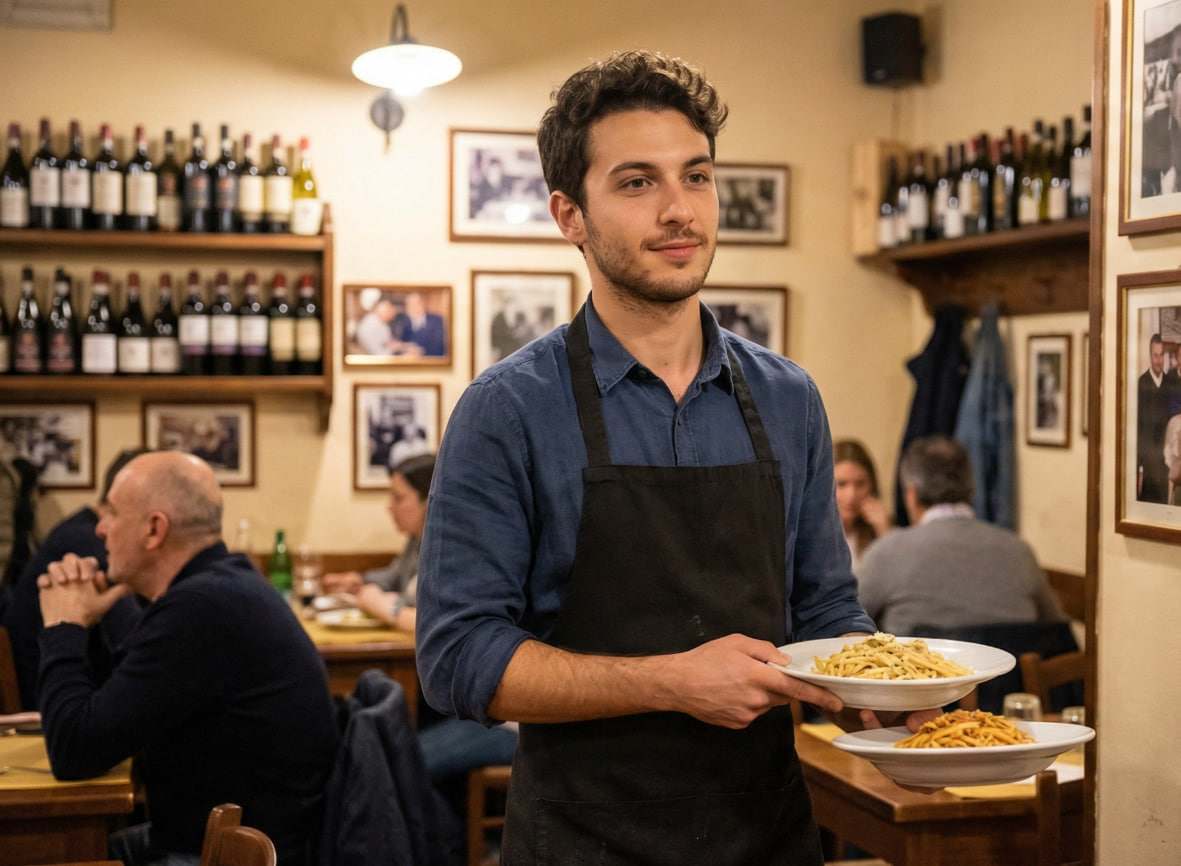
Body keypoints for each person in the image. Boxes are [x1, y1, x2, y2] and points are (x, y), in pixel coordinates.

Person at [415, 49, 934, 865]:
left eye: (695, 176)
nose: (678, 210)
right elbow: (458, 659)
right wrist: (669, 682)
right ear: (569, 215)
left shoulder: (788, 398)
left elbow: (825, 611)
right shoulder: (507, 410)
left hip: (765, 834)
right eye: (636, 183)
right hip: (582, 841)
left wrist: (883, 692)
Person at [36, 451, 340, 866]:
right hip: (222, 836)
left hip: (226, 855)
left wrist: (63, 626)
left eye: (112, 513)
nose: (100, 528)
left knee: (45, 852)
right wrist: (86, 625)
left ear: (154, 529)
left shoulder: (200, 609)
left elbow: (73, 752)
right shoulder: (221, 586)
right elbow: (110, 713)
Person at [856, 435, 1066, 636]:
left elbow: (846, 621)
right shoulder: (1019, 551)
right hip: (1009, 662)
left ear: (912, 495)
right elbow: (1057, 627)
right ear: (971, 489)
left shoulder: (888, 552)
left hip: (922, 662)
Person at [2, 448, 148, 712]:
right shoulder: (86, 542)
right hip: (44, 698)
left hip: (64, 684)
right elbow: (138, 642)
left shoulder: (82, 529)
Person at [321, 453, 435, 631]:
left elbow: (434, 621)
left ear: (428, 501)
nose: (389, 507)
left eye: (398, 498)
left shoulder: (446, 551)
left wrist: (385, 607)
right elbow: (392, 578)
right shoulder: (415, 541)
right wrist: (358, 581)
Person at [833, 439, 891, 569]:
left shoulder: (880, 532)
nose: (852, 495)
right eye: (841, 484)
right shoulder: (805, 534)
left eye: (860, 484)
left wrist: (885, 532)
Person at [1137, 332, 1173, 503]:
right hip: (1147, 467)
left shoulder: (1170, 384)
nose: (1159, 360)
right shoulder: (1141, 384)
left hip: (1166, 466)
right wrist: (1139, 470)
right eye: (1155, 355)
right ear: (1150, 355)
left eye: (1161, 355)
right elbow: (1138, 430)